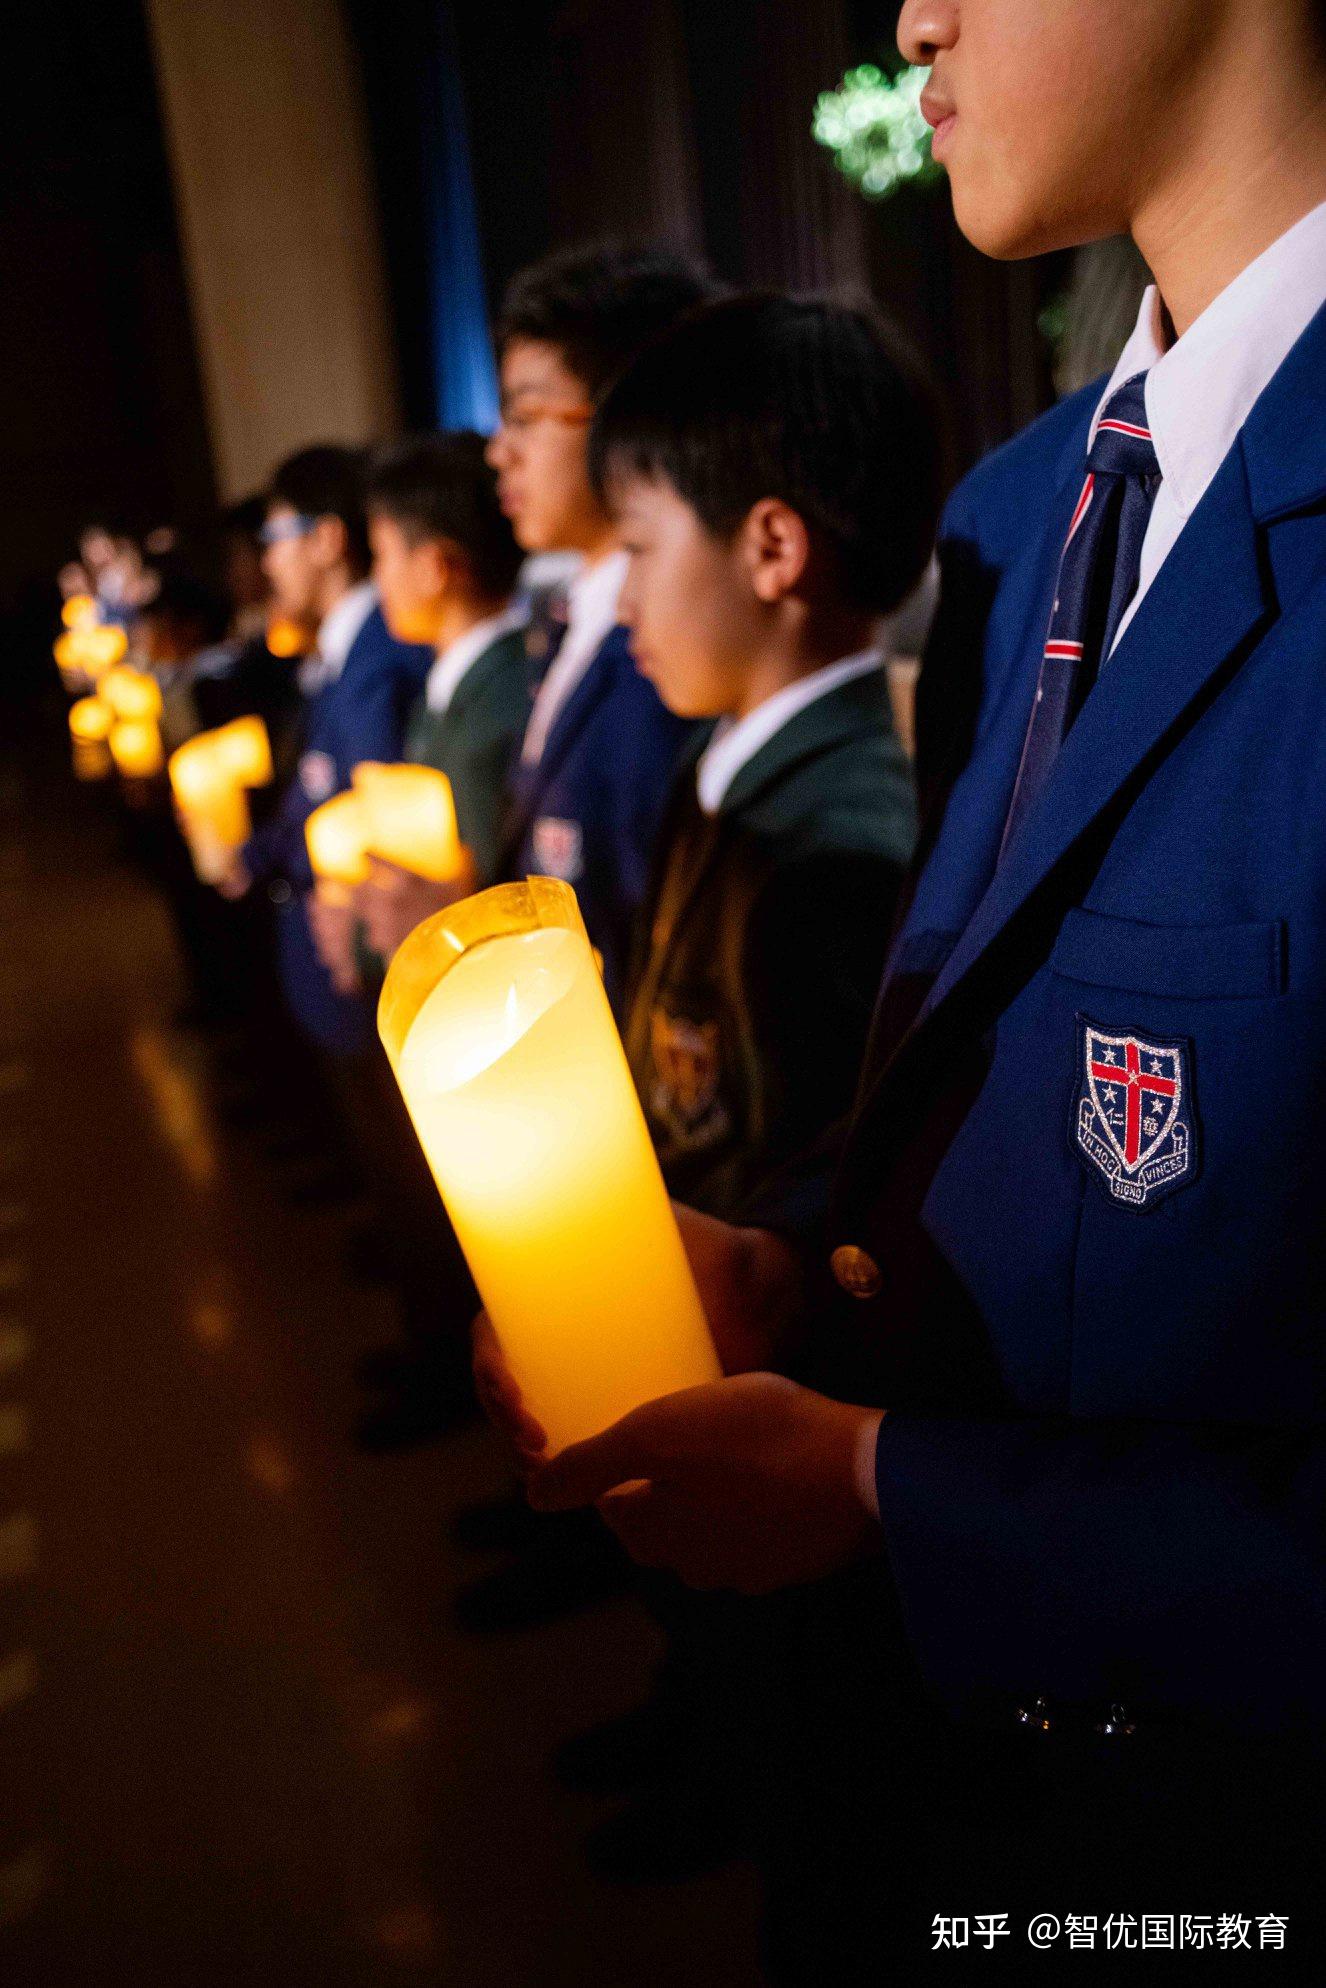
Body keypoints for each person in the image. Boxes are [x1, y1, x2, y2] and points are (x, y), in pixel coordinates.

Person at [479, 0, 1326, 1969]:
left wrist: (884, 1488)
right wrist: (790, 1270)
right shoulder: (1032, 505)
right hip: (919, 1782)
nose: (912, 15)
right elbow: (996, 1067)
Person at [564, 290, 938, 1883]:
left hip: (774, 1356)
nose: (615, 587)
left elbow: (844, 1178)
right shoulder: (725, 765)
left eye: (638, 545)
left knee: (805, 1752)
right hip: (685, 1300)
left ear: (770, 549)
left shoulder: (838, 838)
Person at [485, 243, 717, 1012]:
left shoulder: (673, 658)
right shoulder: (568, 618)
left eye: (524, 415)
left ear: (626, 413)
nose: (499, 450)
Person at [217, 444, 430, 1056]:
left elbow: (370, 815)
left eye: (276, 536)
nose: (267, 560)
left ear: (328, 540)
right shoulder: (344, 651)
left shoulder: (376, 656)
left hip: (359, 964)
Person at [359, 431, 528, 961]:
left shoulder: (498, 701)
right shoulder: (457, 686)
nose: (376, 578)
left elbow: (491, 889)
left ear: (435, 568)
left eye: (382, 555)